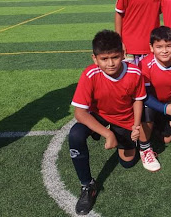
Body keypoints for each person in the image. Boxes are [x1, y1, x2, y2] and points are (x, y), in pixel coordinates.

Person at [68, 30, 146, 215]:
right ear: (94, 58)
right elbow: (80, 113)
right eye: (104, 59)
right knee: (75, 134)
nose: (110, 63)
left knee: (127, 162)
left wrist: (136, 126)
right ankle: (87, 186)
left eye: (115, 57)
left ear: (123, 54)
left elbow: (138, 99)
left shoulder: (134, 72)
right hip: (99, 115)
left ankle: (127, 140)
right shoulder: (90, 74)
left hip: (123, 118)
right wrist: (107, 133)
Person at [137, 26, 171, 171]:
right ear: (151, 47)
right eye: (159, 46)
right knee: (146, 111)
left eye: (169, 45)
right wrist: (166, 109)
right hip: (150, 104)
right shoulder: (145, 64)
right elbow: (144, 96)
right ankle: (144, 148)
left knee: (167, 139)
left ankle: (151, 127)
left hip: (168, 105)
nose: (164, 50)